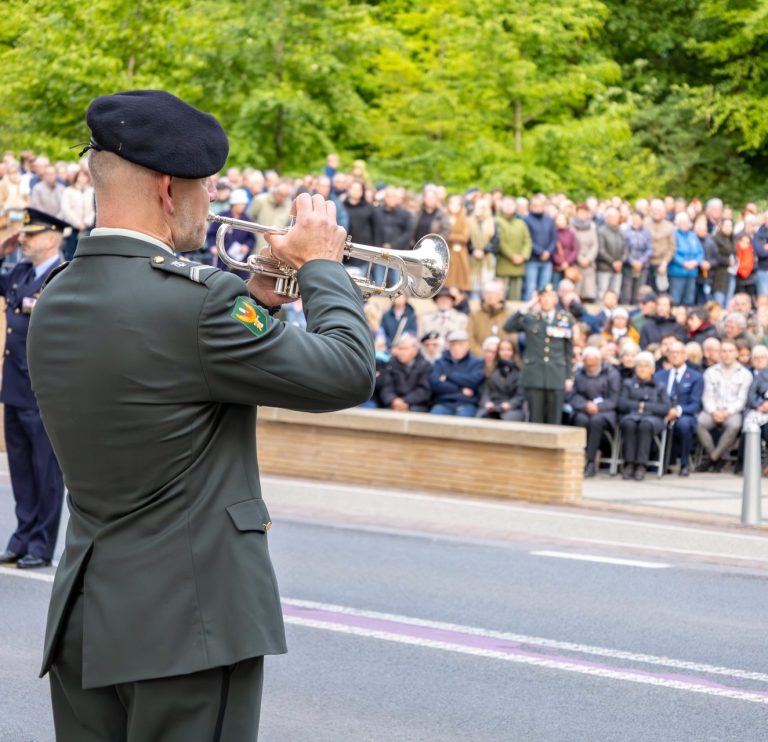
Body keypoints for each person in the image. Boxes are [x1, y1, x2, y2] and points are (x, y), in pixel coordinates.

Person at [26, 90, 375, 741]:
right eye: (206, 190)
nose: (210, 205)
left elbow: (165, 373)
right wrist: (323, 268)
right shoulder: (200, 303)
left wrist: (255, 301)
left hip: (86, 617)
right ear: (167, 191)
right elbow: (348, 370)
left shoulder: (56, 297)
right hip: (188, 626)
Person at [0, 208, 69, 569]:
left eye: (30, 235)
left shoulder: (64, 275)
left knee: (46, 474)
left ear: (52, 238)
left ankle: (40, 545)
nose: (23, 240)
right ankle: (22, 537)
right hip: (14, 387)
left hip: (45, 392)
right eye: (23, 235)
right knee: (23, 473)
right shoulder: (21, 272)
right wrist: (1, 248)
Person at [504, 283, 573, 424]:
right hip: (535, 374)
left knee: (554, 419)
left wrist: (569, 376)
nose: (546, 300)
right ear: (538, 299)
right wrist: (527, 306)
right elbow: (508, 327)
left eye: (550, 297)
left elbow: (568, 351)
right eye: (543, 297)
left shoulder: (565, 319)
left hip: (556, 373)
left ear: (555, 299)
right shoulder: (530, 319)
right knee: (536, 418)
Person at [696, 338, 752, 472]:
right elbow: (707, 396)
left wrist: (727, 412)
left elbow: (742, 399)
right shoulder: (710, 372)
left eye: (730, 351)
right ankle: (717, 457)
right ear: (719, 353)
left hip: (732, 412)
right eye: (724, 351)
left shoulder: (745, 374)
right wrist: (714, 411)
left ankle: (713, 458)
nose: (727, 354)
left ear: (736, 353)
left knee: (735, 425)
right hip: (712, 410)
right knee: (698, 423)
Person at [618, 351, 671, 480]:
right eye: (639, 366)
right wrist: (644, 406)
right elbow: (622, 404)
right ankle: (629, 463)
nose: (642, 369)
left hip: (653, 419)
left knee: (645, 425)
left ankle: (641, 465)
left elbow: (664, 408)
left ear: (652, 369)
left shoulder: (660, 386)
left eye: (645, 366)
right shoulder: (628, 384)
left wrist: (642, 406)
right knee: (629, 423)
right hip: (632, 416)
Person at [569, 346, 621, 477]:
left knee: (596, 421)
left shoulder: (612, 374)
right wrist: (585, 404)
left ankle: (590, 461)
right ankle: (578, 457)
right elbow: (573, 395)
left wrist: (599, 407)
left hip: (605, 411)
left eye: (593, 365)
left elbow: (614, 398)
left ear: (599, 361)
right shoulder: (580, 373)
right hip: (584, 408)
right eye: (588, 365)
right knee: (580, 420)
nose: (590, 368)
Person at [655, 340, 703, 477]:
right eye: (672, 353)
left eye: (678, 352)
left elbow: (695, 404)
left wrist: (677, 411)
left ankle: (684, 464)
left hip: (684, 413)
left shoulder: (695, 377)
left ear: (685, 356)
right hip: (662, 412)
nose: (675, 356)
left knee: (684, 425)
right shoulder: (660, 376)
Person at [429, 329, 485, 416]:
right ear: (449, 346)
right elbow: (435, 384)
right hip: (443, 403)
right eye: (453, 345)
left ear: (467, 346)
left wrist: (449, 376)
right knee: (434, 418)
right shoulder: (440, 362)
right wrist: (460, 389)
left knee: (463, 421)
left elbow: (474, 381)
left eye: (460, 344)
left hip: (466, 403)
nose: (456, 348)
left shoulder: (476, 363)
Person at [377, 333, 432, 412]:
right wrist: (393, 400)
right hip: (392, 405)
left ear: (415, 350)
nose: (402, 352)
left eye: (405, 349)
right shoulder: (391, 364)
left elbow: (424, 390)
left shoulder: (425, 366)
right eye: (400, 349)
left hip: (416, 405)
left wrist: (405, 401)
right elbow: (386, 387)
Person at [476, 338, 526, 421]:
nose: (505, 352)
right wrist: (487, 402)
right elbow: (485, 392)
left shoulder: (519, 371)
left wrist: (510, 404)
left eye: (508, 350)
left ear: (513, 352)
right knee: (483, 417)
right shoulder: (490, 369)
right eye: (502, 349)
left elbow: (520, 395)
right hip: (492, 406)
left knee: (506, 420)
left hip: (512, 409)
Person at [495, 195, 531, 301]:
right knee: (501, 295)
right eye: (506, 204)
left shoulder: (521, 223)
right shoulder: (497, 221)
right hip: (503, 264)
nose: (509, 207)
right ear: (501, 206)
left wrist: (523, 256)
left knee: (515, 297)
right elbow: (500, 241)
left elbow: (527, 240)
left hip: (518, 265)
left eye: (511, 204)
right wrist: (512, 256)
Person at [466, 279, 511, 357]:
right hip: (478, 360)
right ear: (483, 296)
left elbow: (512, 339)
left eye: (494, 293)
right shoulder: (474, 316)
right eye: (487, 293)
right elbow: (469, 339)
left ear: (501, 295)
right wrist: (483, 355)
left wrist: (499, 355)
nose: (491, 296)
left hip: (502, 359)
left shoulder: (508, 316)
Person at [523, 194, 556, 300]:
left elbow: (553, 239)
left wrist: (548, 252)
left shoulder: (549, 220)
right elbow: (527, 240)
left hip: (547, 260)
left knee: (544, 289)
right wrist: (540, 252)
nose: (537, 208)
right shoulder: (526, 220)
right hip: (532, 259)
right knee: (530, 289)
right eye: (534, 205)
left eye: (539, 205)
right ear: (530, 206)